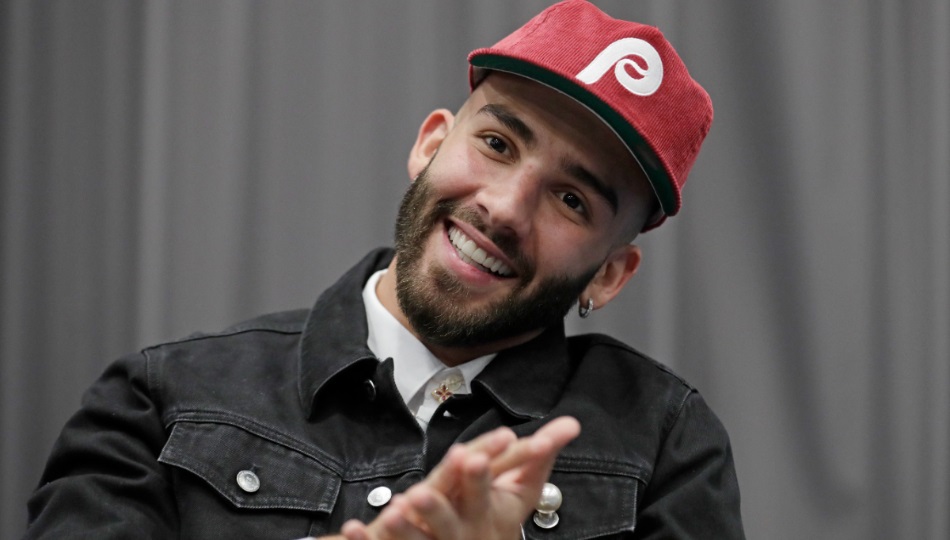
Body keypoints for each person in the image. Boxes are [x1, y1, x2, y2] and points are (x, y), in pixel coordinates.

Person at [24, 1, 743, 538]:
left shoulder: (667, 446)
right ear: (431, 143)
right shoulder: (160, 400)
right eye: (496, 142)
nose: (504, 208)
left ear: (610, 276)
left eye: (571, 199)